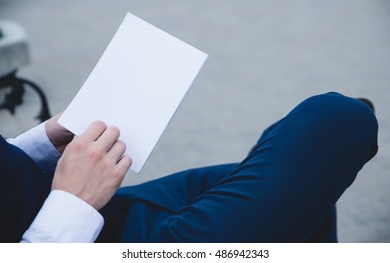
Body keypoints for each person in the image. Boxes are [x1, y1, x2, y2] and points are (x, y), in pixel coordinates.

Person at [0, 92, 378, 242]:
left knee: (306, 193)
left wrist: (38, 145)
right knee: (337, 119)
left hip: (74, 208)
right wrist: (73, 203)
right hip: (61, 235)